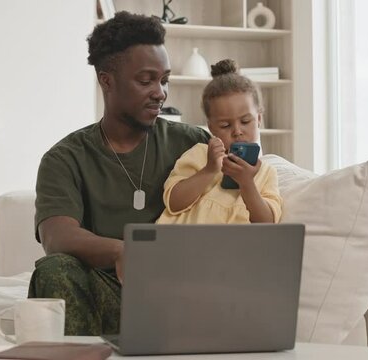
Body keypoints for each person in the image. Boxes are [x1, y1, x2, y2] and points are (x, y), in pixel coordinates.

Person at [27, 11, 210, 336]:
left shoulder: (194, 144)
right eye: (146, 80)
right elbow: (57, 237)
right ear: (106, 80)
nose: (160, 92)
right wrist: (124, 251)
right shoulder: (65, 158)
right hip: (104, 293)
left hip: (180, 296)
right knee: (54, 270)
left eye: (164, 80)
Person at [157, 59, 282, 225]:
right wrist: (209, 170)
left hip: (232, 248)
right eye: (225, 125)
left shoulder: (266, 173)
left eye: (245, 121)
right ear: (211, 127)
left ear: (258, 119)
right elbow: (173, 203)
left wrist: (247, 183)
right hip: (185, 243)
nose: (237, 131)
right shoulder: (200, 154)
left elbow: (267, 222)